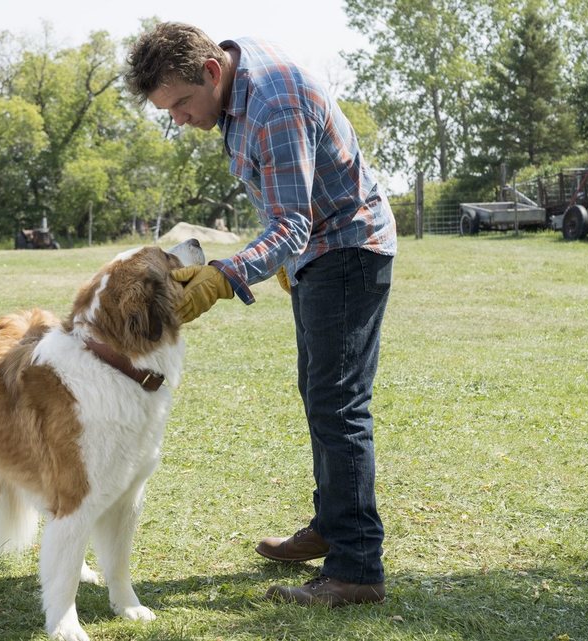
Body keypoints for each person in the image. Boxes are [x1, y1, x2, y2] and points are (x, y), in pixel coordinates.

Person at [125, 22, 397, 607]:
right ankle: (333, 525)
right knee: (320, 392)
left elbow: (293, 225)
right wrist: (280, 261)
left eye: (180, 103)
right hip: (320, 253)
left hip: (347, 248)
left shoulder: (271, 101)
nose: (179, 119)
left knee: (338, 403)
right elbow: (289, 207)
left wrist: (225, 275)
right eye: (165, 110)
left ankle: (355, 568)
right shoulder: (235, 84)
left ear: (211, 72)